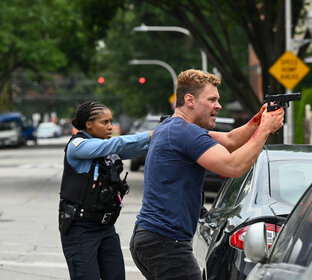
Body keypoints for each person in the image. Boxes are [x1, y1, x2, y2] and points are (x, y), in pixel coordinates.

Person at [129, 69, 285, 280]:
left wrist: (257, 121)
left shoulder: (172, 127)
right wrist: (265, 130)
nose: (218, 105)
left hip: (150, 238)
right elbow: (234, 167)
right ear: (190, 100)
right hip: (165, 242)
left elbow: (230, 140)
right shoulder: (186, 132)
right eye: (212, 99)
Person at [59, 101, 152, 280]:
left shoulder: (106, 145)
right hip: (80, 229)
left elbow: (134, 148)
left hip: (105, 227)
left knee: (116, 276)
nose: (110, 127)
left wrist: (165, 136)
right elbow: (118, 144)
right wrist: (150, 134)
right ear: (88, 124)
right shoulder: (78, 146)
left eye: (111, 122)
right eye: (105, 122)